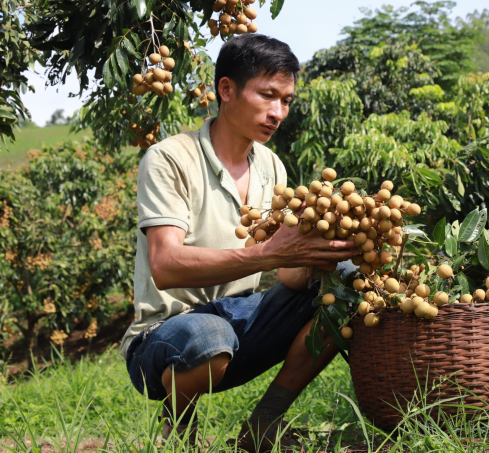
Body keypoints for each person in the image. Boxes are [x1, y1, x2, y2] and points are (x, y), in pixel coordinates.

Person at [119, 34, 358, 452]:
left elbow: (288, 275)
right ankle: (179, 424)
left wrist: (324, 253)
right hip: (162, 338)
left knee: (348, 291)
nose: (278, 112)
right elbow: (166, 264)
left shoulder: (270, 166)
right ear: (226, 90)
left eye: (286, 100)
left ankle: (264, 423)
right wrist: (271, 252)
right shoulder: (169, 158)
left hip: (240, 324)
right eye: (268, 95)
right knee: (207, 335)